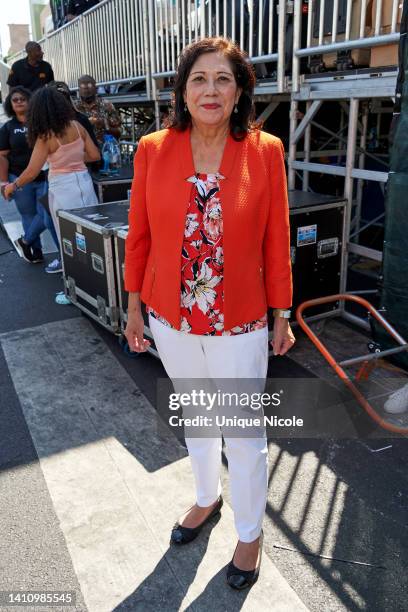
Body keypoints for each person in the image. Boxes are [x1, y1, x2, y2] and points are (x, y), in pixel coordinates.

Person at [124, 37, 295, 590]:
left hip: (239, 318)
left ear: (241, 88)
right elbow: (140, 234)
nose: (211, 90)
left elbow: (277, 237)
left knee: (243, 431)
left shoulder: (265, 151)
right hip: (170, 315)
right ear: (183, 89)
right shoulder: (152, 148)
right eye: (199, 79)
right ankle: (206, 497)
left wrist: (282, 312)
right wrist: (132, 304)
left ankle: (250, 533)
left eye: (224, 79)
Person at [4, 88, 100, 267]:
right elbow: (94, 155)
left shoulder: (45, 137)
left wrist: (13, 185)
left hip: (62, 190)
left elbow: (32, 172)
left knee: (69, 239)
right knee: (91, 235)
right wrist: (75, 158)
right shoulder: (77, 126)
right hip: (85, 184)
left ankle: (73, 282)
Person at [0, 86, 59, 268]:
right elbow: (2, 156)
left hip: (44, 176)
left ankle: (25, 240)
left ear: (30, 101)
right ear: (10, 104)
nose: (18, 102)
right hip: (19, 178)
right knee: (28, 215)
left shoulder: (40, 124)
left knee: (45, 214)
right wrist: (3, 182)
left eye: (22, 99)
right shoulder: (7, 127)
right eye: (14, 99)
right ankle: (35, 251)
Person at [75, 75, 121, 145]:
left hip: (104, 151)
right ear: (79, 89)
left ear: (96, 88)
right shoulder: (74, 108)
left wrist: (104, 124)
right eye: (83, 86)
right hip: (82, 152)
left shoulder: (106, 105)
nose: (86, 89)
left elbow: (119, 132)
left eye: (89, 86)